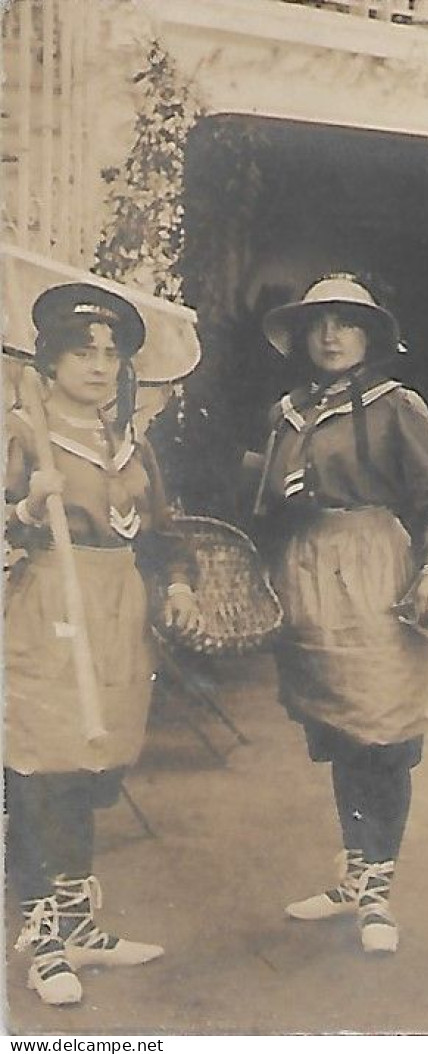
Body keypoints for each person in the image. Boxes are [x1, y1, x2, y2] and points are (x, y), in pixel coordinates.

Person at [5, 284, 202, 1006]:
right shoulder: (23, 434)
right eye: (81, 352)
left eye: (111, 354)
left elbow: (161, 532)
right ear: (49, 364)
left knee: (90, 766)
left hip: (120, 608)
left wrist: (177, 584)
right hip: (47, 601)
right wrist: (26, 504)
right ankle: (42, 938)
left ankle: (80, 926)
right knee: (39, 769)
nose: (98, 366)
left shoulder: (131, 443)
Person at [253, 274, 428, 955]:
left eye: (346, 322)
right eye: (318, 324)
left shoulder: (397, 405)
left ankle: (379, 892)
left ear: (370, 335)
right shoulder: (289, 411)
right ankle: (354, 875)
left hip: (374, 566)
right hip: (307, 569)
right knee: (341, 730)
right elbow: (267, 504)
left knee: (382, 729)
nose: (331, 335)